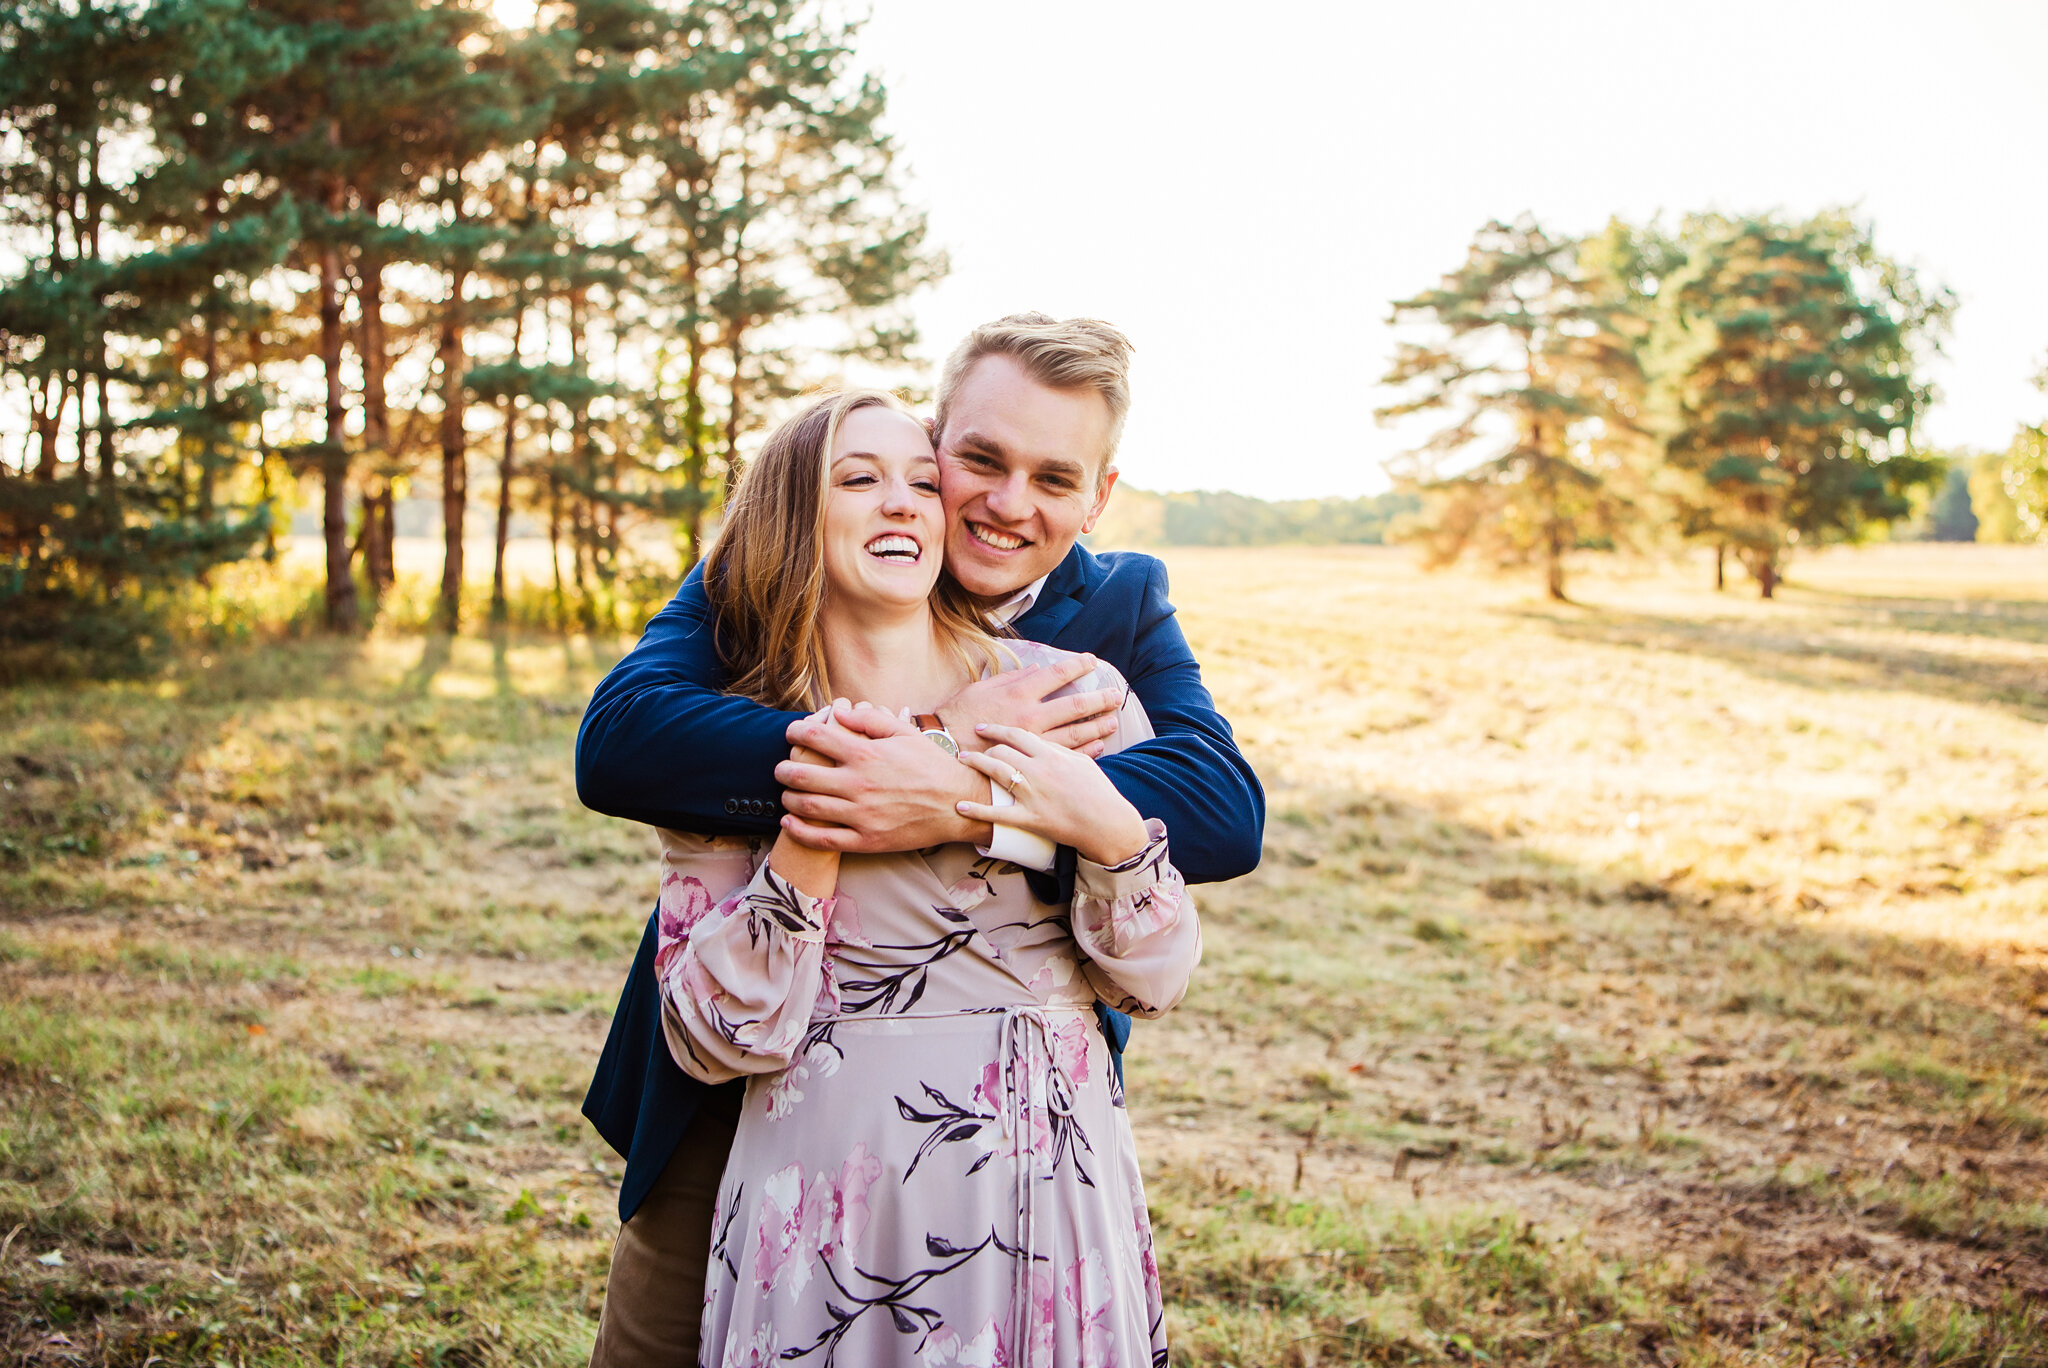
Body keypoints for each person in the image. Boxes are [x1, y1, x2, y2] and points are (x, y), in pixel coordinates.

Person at [577, 315, 1264, 1365]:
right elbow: (623, 744)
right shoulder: (790, 566)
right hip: (751, 1101)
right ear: (935, 439)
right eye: (978, 460)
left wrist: (957, 798)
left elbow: (1217, 811)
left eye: (1051, 477)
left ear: (1097, 497)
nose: (1004, 504)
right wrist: (912, 750)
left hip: (1018, 1130)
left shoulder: (1108, 621)